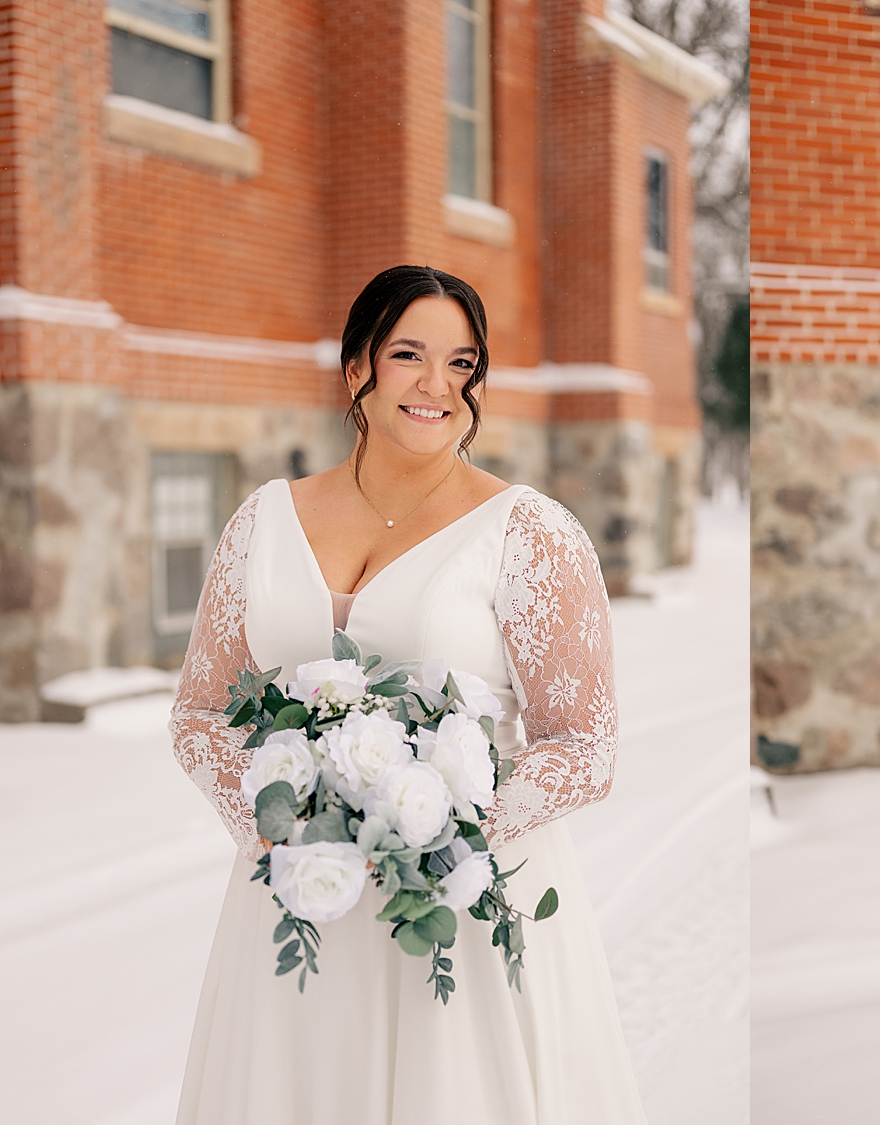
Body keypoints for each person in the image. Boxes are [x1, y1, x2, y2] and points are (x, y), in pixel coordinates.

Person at [169, 265, 649, 1124]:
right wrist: (281, 822)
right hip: (299, 896)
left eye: (462, 363)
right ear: (358, 368)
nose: (439, 386)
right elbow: (200, 711)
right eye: (409, 355)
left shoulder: (528, 530)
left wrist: (437, 826)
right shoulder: (262, 519)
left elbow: (585, 744)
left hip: (456, 909)